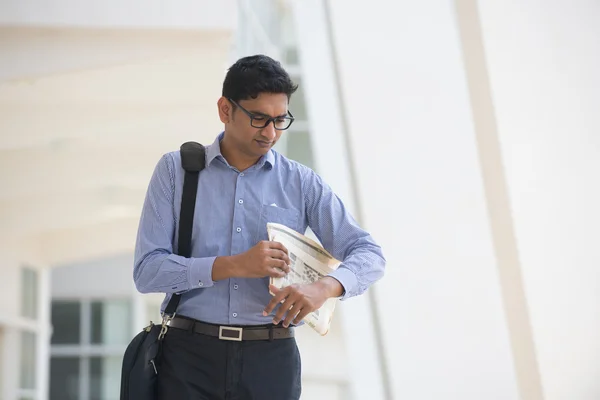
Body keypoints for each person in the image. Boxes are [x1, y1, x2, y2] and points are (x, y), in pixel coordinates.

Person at [133, 54, 385, 400]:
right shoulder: (176, 172)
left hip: (271, 361)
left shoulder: (301, 183)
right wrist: (234, 265)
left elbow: (369, 254)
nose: (270, 133)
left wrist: (326, 287)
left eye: (280, 121)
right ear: (225, 110)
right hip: (187, 358)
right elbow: (147, 272)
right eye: (259, 119)